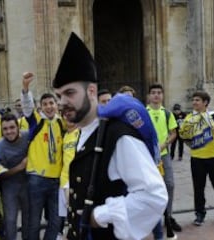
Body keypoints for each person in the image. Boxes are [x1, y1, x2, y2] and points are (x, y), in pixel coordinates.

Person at [53, 32, 167, 240]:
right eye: (59, 95)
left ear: (91, 91)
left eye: (69, 93)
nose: (61, 103)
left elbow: (154, 195)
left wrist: (101, 214)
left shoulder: (118, 135)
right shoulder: (84, 132)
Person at [21, 72, 64, 240]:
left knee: (56, 221)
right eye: (45, 104)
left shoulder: (62, 123)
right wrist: (25, 88)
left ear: (56, 104)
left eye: (51, 103)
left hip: (56, 180)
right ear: (41, 106)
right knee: (34, 221)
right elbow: (26, 107)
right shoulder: (36, 122)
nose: (49, 106)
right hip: (37, 178)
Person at [179, 90, 214, 226]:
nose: (194, 102)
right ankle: (199, 214)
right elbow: (184, 136)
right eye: (193, 100)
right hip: (197, 159)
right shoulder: (189, 118)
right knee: (198, 189)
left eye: (197, 100)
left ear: (205, 103)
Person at [146, 83, 181, 238]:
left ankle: (168, 216)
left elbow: (173, 132)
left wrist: (164, 144)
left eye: (159, 92)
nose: (156, 95)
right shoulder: (143, 113)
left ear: (163, 95)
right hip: (148, 156)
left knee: (169, 184)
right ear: (149, 95)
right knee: (150, 187)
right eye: (153, 92)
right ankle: (153, 218)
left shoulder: (167, 113)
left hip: (164, 155)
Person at [0, 113, 29, 240]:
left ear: (18, 127)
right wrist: (20, 167)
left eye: (12, 127)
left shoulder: (27, 136)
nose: (9, 132)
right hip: (9, 186)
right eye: (5, 129)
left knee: (28, 219)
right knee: (10, 220)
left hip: (28, 184)